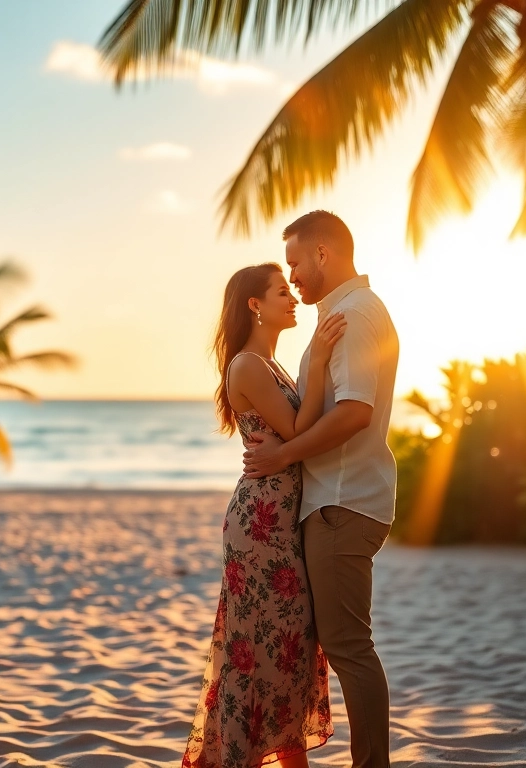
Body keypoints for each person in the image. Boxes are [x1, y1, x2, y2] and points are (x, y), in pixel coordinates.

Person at [242, 211, 400, 768]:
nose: (295, 277)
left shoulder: (355, 315)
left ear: (324, 253)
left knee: (349, 648)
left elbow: (355, 413)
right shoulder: (340, 315)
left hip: (342, 500)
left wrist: (282, 455)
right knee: (337, 646)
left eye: (295, 263)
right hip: (336, 500)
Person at [181, 261, 347, 768]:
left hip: (278, 521)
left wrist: (312, 363)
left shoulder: (271, 364)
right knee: (262, 652)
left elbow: (300, 430)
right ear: (255, 304)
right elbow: (299, 429)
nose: (292, 296)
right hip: (259, 525)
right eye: (281, 291)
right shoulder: (248, 365)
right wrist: (317, 359)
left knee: (287, 650)